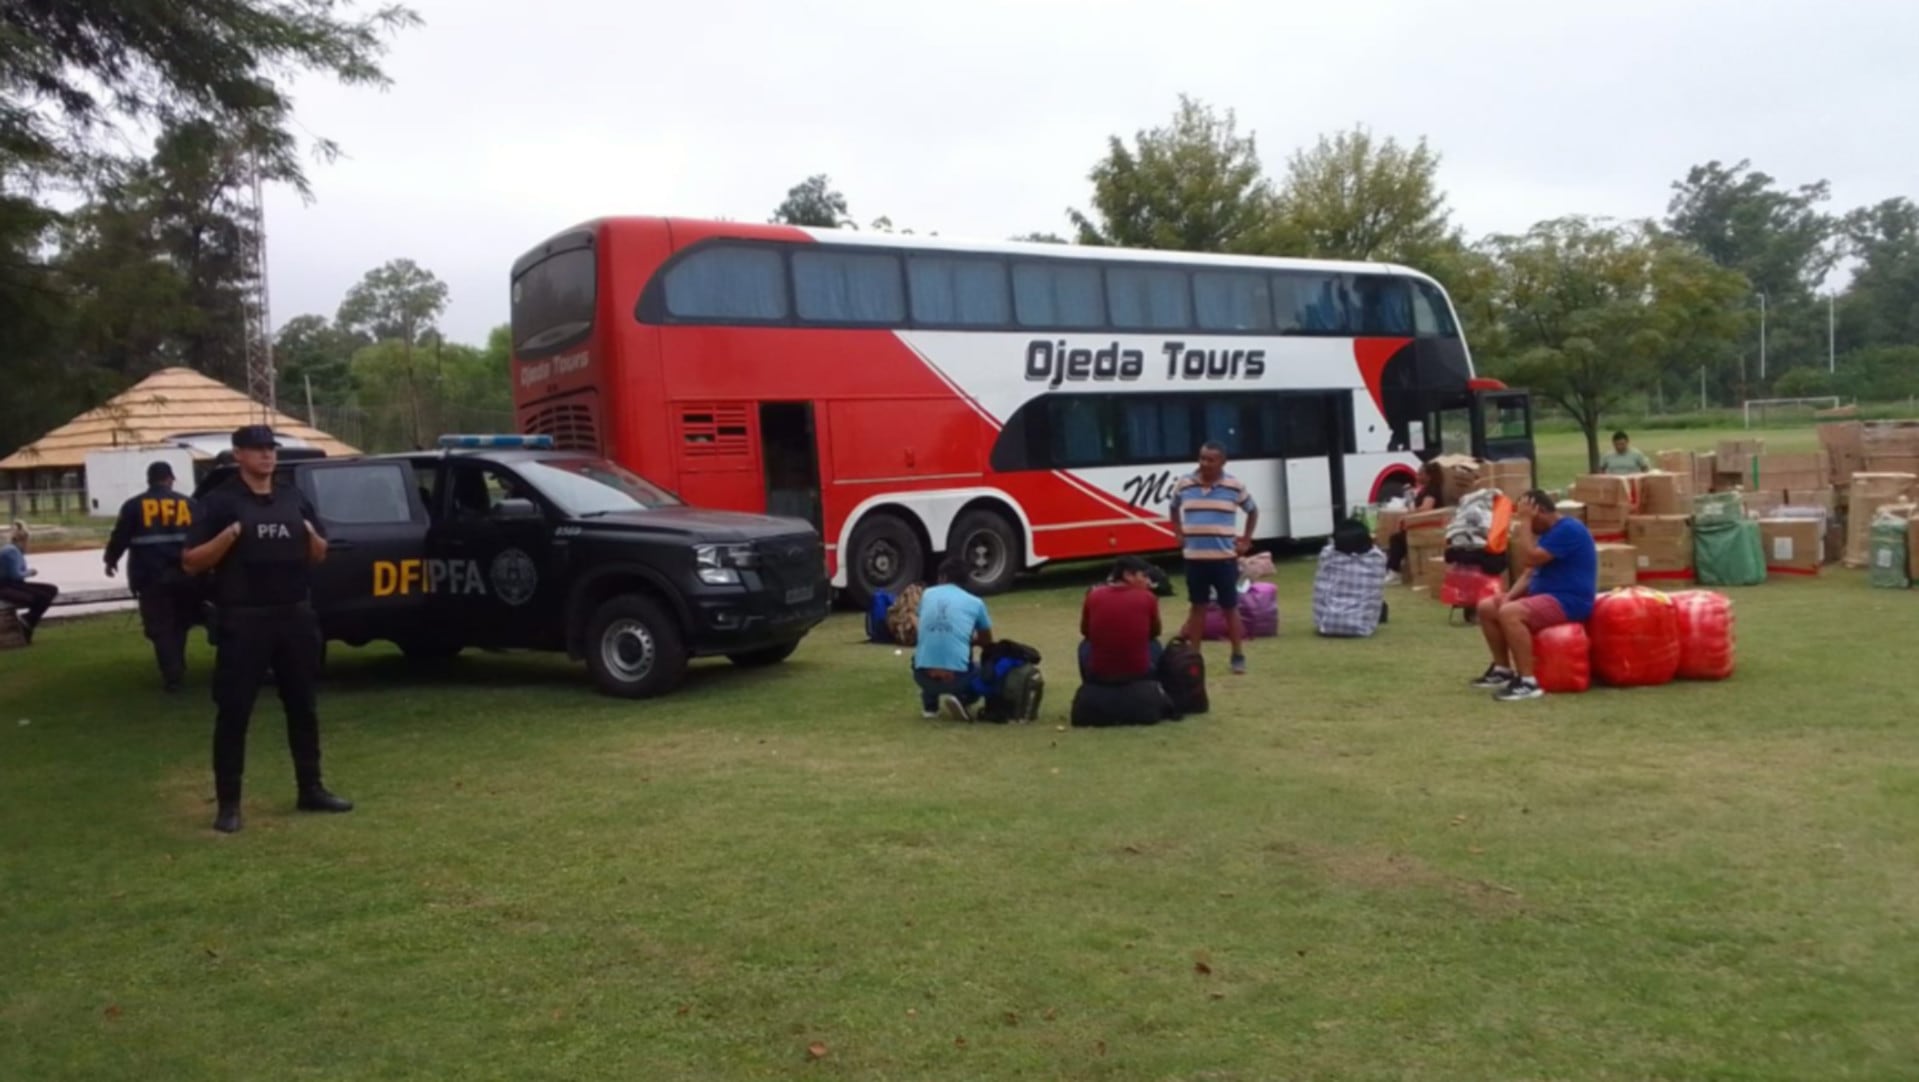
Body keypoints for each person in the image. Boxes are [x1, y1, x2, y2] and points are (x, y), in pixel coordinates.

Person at [182, 426, 351, 834]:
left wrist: (314, 539)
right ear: (238, 454)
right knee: (235, 712)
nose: (266, 456)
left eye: (270, 449)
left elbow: (318, 554)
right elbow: (191, 561)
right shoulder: (220, 502)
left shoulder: (293, 497)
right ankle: (229, 805)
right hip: (244, 619)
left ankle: (311, 788)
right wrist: (229, 536)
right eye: (257, 450)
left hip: (294, 615)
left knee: (303, 707)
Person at [1471, 490, 1597, 702]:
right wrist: (1509, 596)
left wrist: (1525, 522)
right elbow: (1529, 570)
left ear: (1539, 512)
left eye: (1526, 515)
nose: (1523, 521)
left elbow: (1529, 556)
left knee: (1511, 613)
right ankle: (1502, 670)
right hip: (1547, 597)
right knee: (1487, 607)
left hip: (1570, 600)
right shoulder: (1549, 535)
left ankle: (1528, 682)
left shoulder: (1569, 529)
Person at [104, 460, 202, 691]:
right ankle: (177, 666)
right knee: (180, 624)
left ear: (149, 480)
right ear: (170, 479)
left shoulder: (133, 506)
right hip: (186, 576)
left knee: (160, 627)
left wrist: (111, 560)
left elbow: (120, 537)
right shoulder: (189, 504)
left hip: (150, 577)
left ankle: (173, 675)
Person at [1170, 441, 1258, 675]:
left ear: (1222, 462)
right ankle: (1194, 656)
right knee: (1197, 607)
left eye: (1211, 460)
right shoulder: (1184, 484)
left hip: (1224, 559)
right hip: (1194, 558)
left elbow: (1252, 510)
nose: (1205, 464)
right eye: (1202, 458)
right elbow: (1173, 508)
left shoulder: (1234, 486)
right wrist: (1178, 532)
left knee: (1229, 607)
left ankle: (1237, 654)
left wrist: (1246, 540)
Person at [911, 555, 994, 720]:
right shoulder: (975, 603)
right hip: (958, 678)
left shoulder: (927, 594)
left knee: (927, 652)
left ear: (942, 577)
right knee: (983, 670)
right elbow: (987, 641)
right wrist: (969, 641)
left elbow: (922, 626)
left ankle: (930, 707)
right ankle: (963, 699)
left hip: (922, 675)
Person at [1078, 555, 1163, 684]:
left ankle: (1089, 684)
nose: (1148, 582)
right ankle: (1156, 683)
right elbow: (1154, 632)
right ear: (1128, 575)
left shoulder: (1093, 595)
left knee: (1085, 645)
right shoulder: (1148, 597)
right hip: (1139, 672)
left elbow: (1086, 631)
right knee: (1154, 644)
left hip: (1099, 672)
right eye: (1144, 576)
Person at [1385, 460, 1445, 582]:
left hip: (1426, 526)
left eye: (1420, 474)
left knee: (1396, 539)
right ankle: (1393, 569)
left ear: (1429, 476)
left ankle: (1394, 571)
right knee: (1397, 537)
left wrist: (1412, 511)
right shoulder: (1425, 489)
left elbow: (1426, 509)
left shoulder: (1432, 490)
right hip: (1420, 525)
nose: (1417, 476)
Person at [0, 521, 59, 643]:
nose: (28, 546)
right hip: (6, 586)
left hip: (14, 584)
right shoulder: (11, 551)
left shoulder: (15, 551)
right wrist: (30, 572)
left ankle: (27, 621)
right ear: (23, 541)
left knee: (51, 590)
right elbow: (15, 575)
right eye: (28, 543)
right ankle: (27, 622)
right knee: (40, 598)